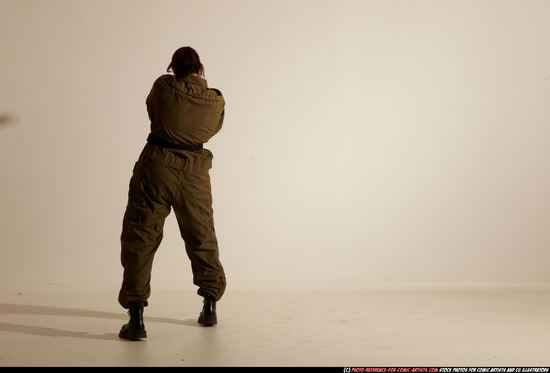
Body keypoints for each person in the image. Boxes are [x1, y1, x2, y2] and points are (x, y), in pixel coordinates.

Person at [117, 46, 227, 340]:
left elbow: (151, 108)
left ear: (172, 68)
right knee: (201, 235)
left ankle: (136, 316)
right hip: (195, 174)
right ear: (201, 68)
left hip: (156, 167)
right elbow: (213, 129)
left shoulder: (162, 87)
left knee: (141, 236)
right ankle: (210, 305)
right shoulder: (215, 100)